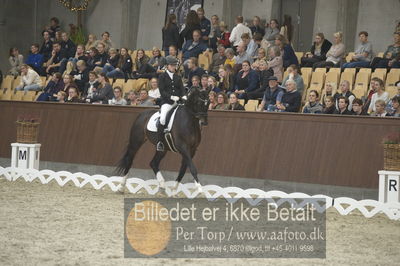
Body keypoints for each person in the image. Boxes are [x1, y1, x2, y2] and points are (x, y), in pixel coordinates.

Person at [156, 56, 186, 151]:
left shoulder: (178, 77)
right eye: (172, 65)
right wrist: (171, 97)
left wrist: (184, 96)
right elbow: (162, 91)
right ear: (167, 66)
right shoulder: (162, 77)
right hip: (167, 102)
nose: (174, 67)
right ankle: (160, 142)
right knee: (163, 118)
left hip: (178, 102)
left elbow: (181, 89)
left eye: (175, 65)